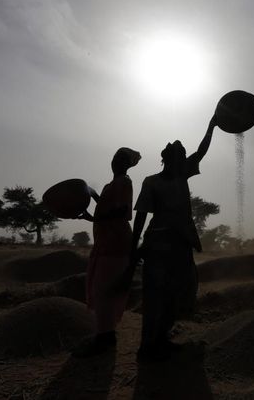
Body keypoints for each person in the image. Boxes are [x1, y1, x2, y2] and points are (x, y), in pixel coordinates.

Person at [131, 116, 217, 362]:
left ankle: (161, 337)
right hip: (158, 246)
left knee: (180, 290)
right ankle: (147, 347)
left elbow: (201, 152)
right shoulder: (152, 182)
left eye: (183, 156)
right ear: (169, 159)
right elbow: (141, 216)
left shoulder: (182, 175)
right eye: (179, 156)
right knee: (155, 296)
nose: (183, 159)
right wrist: (134, 247)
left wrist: (211, 126)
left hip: (181, 244)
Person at [72, 147, 141, 358]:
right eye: (115, 158)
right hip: (106, 243)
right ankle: (105, 335)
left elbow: (121, 212)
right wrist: (91, 201)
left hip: (116, 243)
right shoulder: (111, 185)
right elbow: (106, 209)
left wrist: (97, 217)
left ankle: (106, 337)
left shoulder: (125, 181)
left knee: (105, 291)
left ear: (127, 164)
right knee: (102, 289)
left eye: (121, 159)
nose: (116, 162)